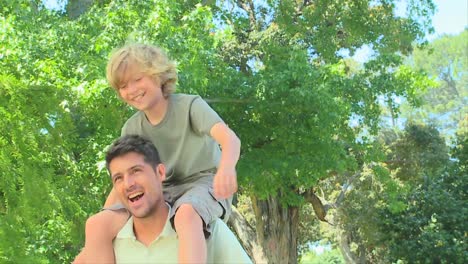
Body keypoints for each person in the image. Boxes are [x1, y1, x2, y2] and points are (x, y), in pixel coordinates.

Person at [77, 43, 241, 263]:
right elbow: (124, 178)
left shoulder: (190, 106)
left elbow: (229, 139)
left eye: (137, 79)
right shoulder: (131, 128)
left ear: (159, 74)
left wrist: (227, 168)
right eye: (124, 85)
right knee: (96, 224)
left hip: (203, 184)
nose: (132, 89)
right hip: (160, 190)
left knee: (186, 214)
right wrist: (101, 227)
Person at [77, 135, 251, 263]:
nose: (128, 184)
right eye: (118, 178)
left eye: (136, 171)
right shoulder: (109, 244)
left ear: (160, 172)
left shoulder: (208, 231)